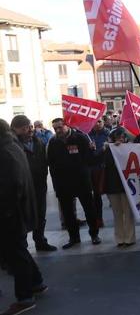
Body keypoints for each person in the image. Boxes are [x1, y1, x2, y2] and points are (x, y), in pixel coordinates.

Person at [0, 119, 47, 315]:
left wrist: (7, 210)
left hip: (10, 212)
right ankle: (36, 282)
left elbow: (10, 184)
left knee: (15, 253)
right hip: (18, 209)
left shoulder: (5, 151)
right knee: (19, 250)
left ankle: (25, 297)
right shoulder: (12, 146)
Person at [47, 118, 101, 249]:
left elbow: (90, 160)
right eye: (55, 128)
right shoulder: (53, 143)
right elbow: (51, 164)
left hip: (81, 181)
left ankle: (94, 235)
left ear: (66, 125)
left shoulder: (80, 138)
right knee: (68, 213)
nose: (58, 130)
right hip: (63, 184)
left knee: (89, 209)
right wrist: (56, 185)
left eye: (60, 127)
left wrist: (93, 150)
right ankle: (74, 238)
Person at [10, 116, 56, 252]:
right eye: (24, 128)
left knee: (40, 215)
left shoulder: (38, 142)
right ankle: (21, 247)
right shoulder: (12, 145)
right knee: (21, 217)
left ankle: (40, 241)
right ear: (15, 130)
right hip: (21, 188)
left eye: (30, 126)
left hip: (39, 185)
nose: (29, 130)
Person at [102, 128, 136, 246]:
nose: (120, 140)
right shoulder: (107, 150)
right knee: (117, 214)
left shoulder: (130, 149)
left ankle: (129, 238)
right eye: (117, 138)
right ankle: (120, 238)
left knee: (128, 212)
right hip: (112, 185)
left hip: (127, 186)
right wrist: (109, 148)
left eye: (122, 137)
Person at [89, 118, 110, 228]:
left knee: (112, 194)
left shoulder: (109, 134)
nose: (97, 124)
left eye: (99, 121)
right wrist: (89, 149)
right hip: (94, 168)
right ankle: (98, 219)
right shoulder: (87, 134)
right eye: (94, 122)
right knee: (96, 196)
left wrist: (106, 148)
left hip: (106, 168)